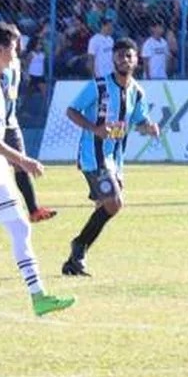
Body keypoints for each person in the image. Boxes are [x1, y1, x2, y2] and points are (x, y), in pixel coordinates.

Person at [0, 23, 75, 316]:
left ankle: (38, 296)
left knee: (20, 225)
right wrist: (22, 160)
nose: (16, 55)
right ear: (0, 50)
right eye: (14, 49)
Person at [61, 38, 161, 276]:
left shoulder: (137, 91)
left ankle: (74, 262)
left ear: (136, 60)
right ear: (113, 59)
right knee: (114, 203)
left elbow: (139, 119)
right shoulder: (98, 86)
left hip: (115, 159)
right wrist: (94, 128)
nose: (124, 60)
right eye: (120, 56)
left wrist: (149, 127)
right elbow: (71, 111)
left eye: (129, 56)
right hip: (93, 156)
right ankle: (79, 247)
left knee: (104, 207)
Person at [1, 32, 57, 223]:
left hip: (10, 122)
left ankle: (33, 210)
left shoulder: (16, 62)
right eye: (13, 41)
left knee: (20, 165)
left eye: (18, 41)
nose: (17, 45)